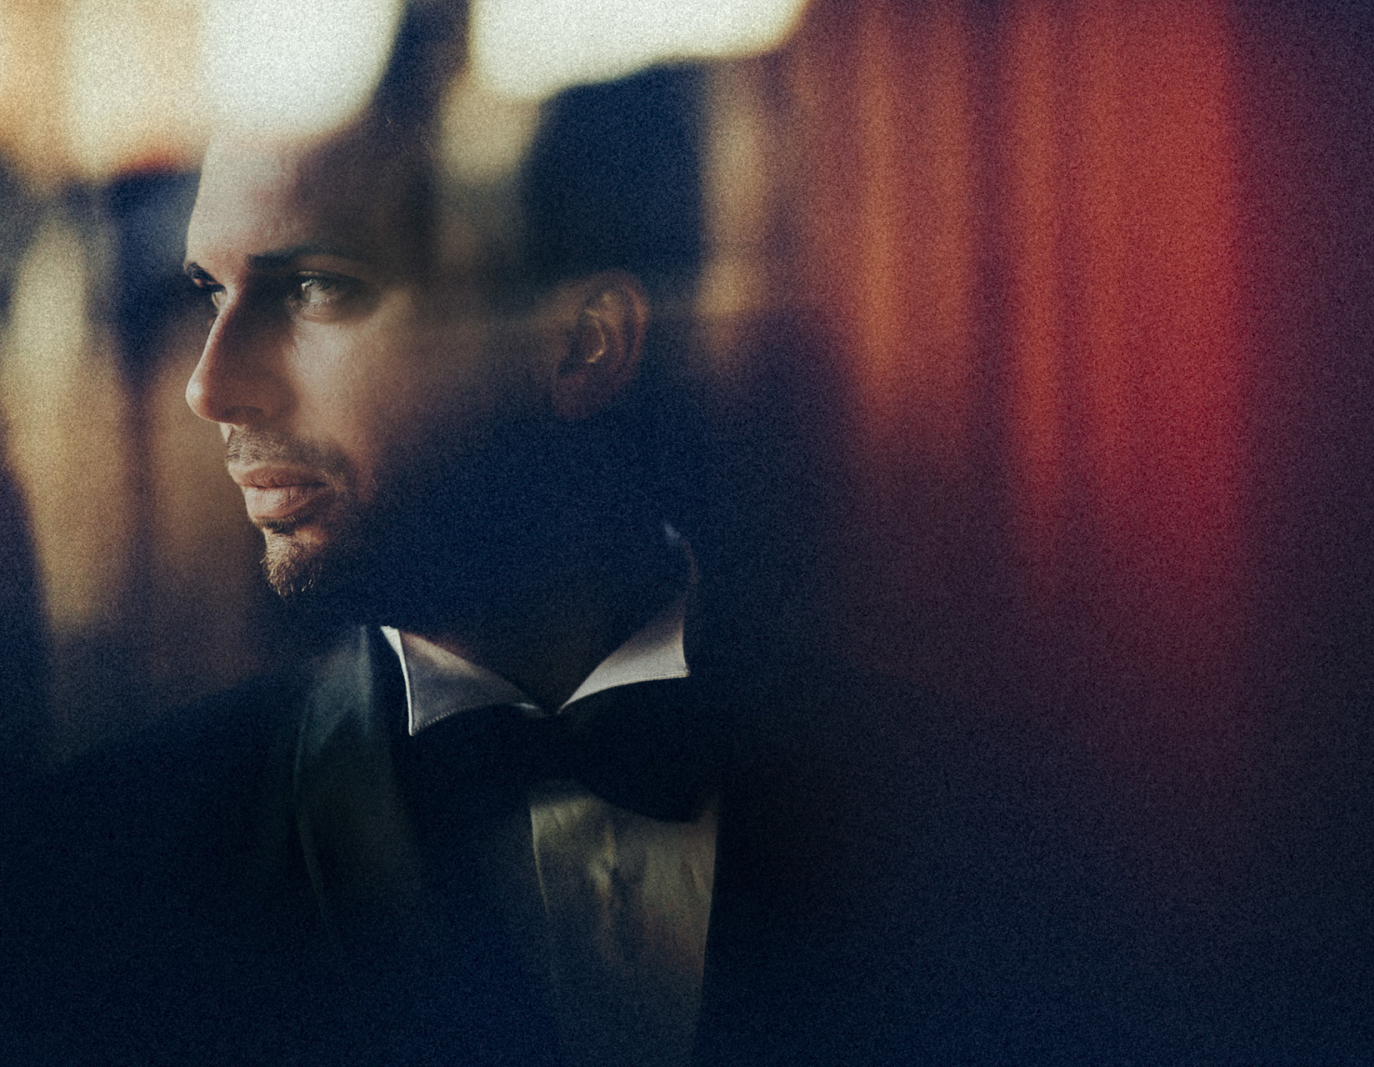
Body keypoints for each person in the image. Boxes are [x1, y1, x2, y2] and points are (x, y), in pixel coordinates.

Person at [2, 33, 1092, 1067]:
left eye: (315, 289)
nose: (211, 385)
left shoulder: (982, 832)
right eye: (211, 295)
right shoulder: (93, 865)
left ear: (582, 342)